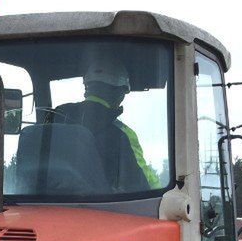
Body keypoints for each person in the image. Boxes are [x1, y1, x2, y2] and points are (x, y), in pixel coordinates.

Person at [52, 60, 161, 190]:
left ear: (87, 87)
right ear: (119, 92)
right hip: (103, 207)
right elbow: (143, 184)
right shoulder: (122, 133)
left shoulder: (56, 117)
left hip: (45, 204)